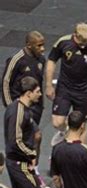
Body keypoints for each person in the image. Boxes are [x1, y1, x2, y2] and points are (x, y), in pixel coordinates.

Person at [46, 22, 87, 145]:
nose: (83, 47)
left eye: (86, 44)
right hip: (64, 88)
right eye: (81, 44)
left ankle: (81, 153)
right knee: (57, 122)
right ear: (74, 35)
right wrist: (48, 85)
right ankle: (65, 131)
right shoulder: (63, 42)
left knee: (82, 125)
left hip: (83, 91)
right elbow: (51, 61)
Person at [4, 76, 49, 188]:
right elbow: (15, 141)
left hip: (16, 161)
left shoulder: (22, 108)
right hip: (19, 163)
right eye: (37, 92)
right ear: (28, 93)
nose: (40, 94)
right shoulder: (18, 112)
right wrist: (31, 154)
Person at [2, 31, 46, 180]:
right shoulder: (17, 60)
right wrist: (11, 107)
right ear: (29, 45)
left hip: (35, 107)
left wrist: (40, 104)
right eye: (39, 46)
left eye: (43, 45)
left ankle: (33, 168)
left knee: (32, 138)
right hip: (19, 106)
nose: (42, 49)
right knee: (33, 136)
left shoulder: (41, 59)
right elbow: (5, 83)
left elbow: (38, 84)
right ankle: (23, 170)